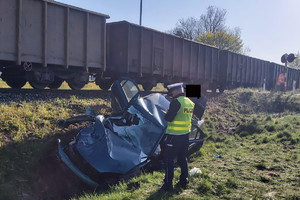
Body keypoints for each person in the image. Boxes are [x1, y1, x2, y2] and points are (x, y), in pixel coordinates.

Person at [160, 82, 195, 191]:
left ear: (176, 91)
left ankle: (168, 184)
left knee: (168, 159)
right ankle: (184, 181)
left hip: (174, 136)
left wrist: (167, 113)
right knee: (182, 158)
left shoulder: (176, 102)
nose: (171, 93)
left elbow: (169, 118)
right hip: (185, 135)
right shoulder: (190, 102)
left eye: (172, 91)